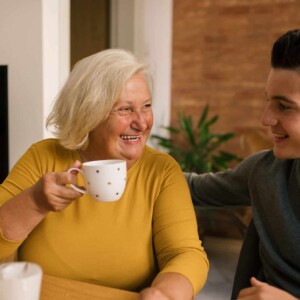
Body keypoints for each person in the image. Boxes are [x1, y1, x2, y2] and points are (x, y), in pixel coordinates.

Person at [0, 49, 208, 299]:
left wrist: (164, 293)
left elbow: (185, 254)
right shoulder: (43, 157)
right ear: (88, 113)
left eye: (146, 106)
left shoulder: (162, 172)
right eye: (125, 109)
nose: (142, 123)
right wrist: (34, 202)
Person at [185, 29, 300, 300]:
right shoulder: (265, 171)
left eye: (284, 106)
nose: (265, 119)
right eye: (268, 100)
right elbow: (191, 187)